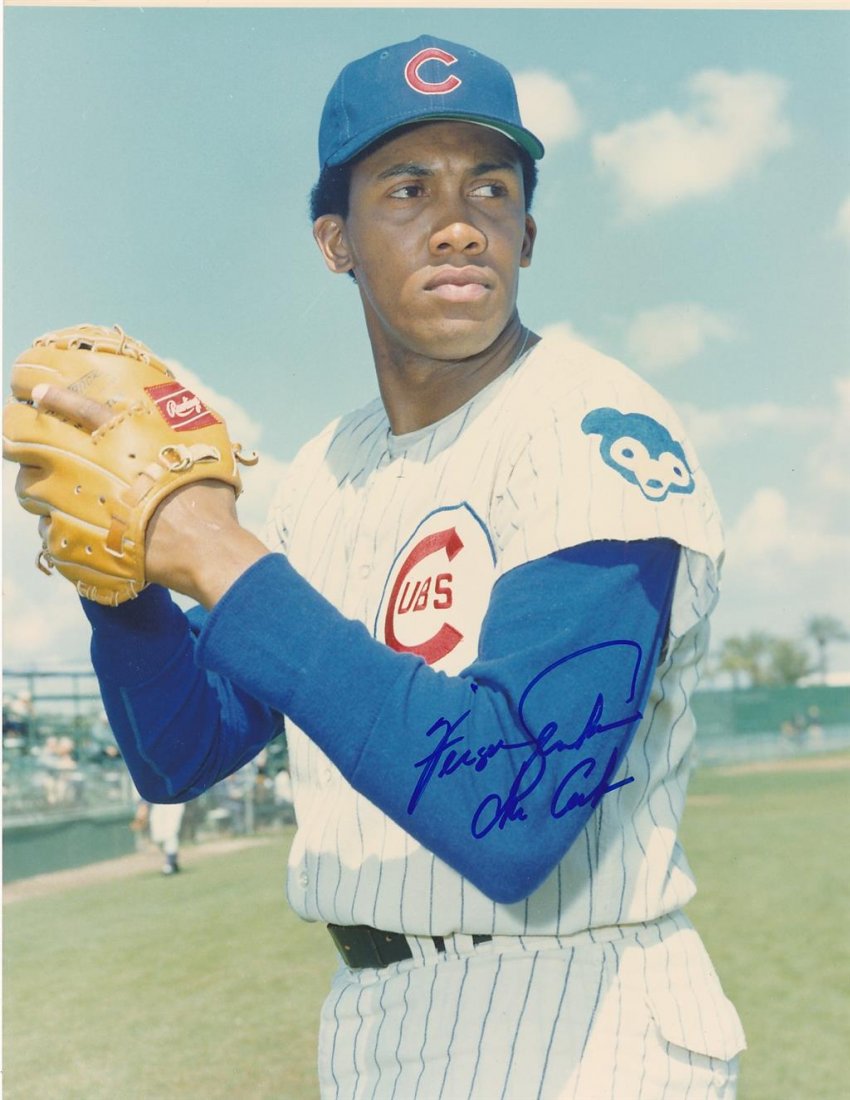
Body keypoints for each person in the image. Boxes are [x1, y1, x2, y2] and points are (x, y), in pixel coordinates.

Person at [14, 34, 745, 1099]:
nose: (459, 222)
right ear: (335, 241)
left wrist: (218, 551)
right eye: (408, 189)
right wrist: (118, 578)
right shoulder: (326, 472)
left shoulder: (592, 429)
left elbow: (514, 805)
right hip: (375, 1021)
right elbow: (184, 750)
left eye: (490, 188)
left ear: (528, 233)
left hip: (581, 1021)